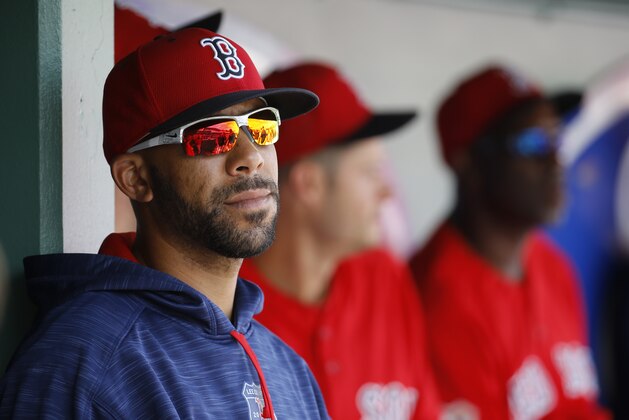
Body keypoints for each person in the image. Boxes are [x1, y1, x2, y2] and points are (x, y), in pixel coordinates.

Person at [0, 28, 329, 419]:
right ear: (136, 178)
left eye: (261, 126)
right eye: (210, 135)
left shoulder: (287, 368)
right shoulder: (84, 360)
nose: (251, 157)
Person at [239, 62, 442, 420]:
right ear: (309, 184)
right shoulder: (229, 306)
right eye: (370, 173)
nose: (387, 191)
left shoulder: (385, 277)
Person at [409, 65, 610, 419]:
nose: (555, 160)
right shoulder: (438, 296)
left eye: (556, 139)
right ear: (468, 163)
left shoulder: (553, 267)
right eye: (532, 142)